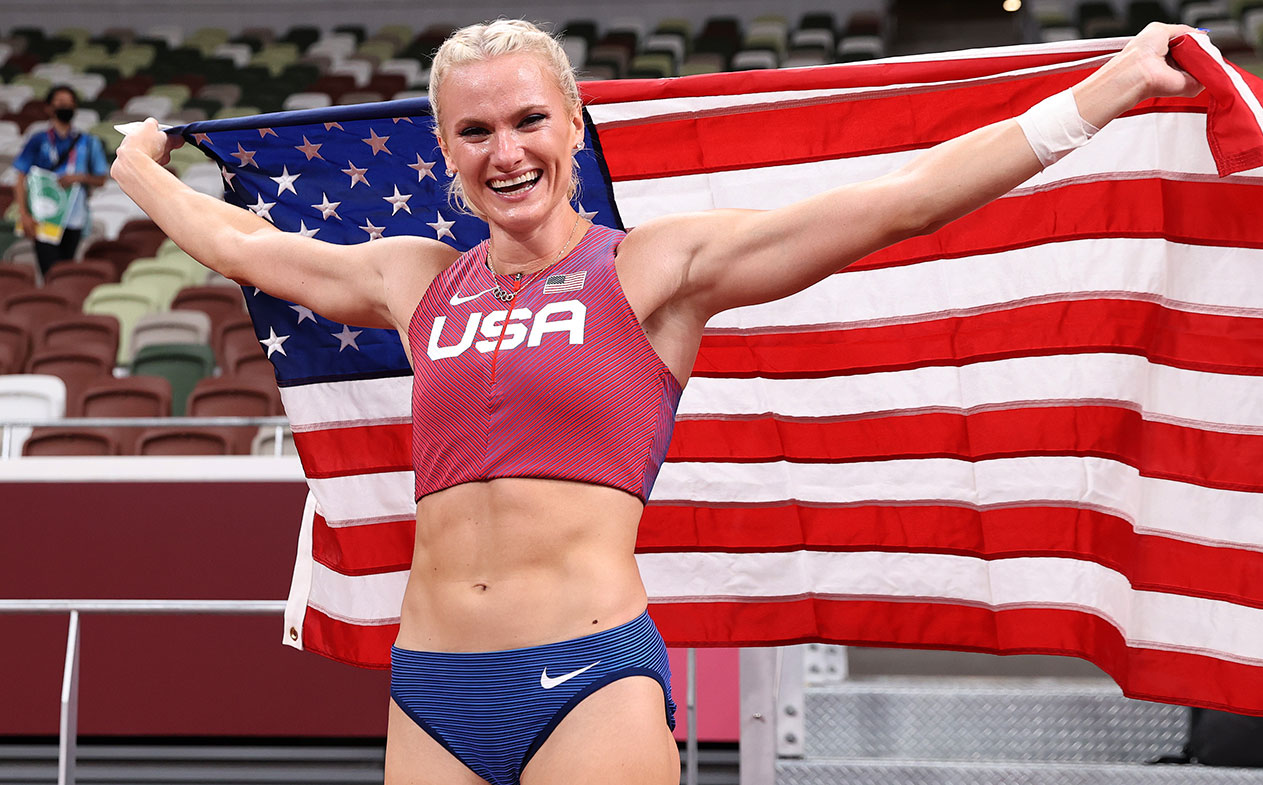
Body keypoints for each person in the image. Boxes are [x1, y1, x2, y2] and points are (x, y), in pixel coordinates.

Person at [111, 18, 1202, 785]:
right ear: (443, 152)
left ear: (574, 126)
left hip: (585, 677)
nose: (507, 151)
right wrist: (139, 171)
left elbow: (899, 203)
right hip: (430, 680)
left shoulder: (655, 270)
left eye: (529, 121)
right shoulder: (413, 277)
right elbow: (251, 243)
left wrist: (1101, 94)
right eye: (476, 132)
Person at [11, 85, 109, 280]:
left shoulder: (89, 142)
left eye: (70, 104)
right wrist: (24, 214)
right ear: (48, 108)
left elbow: (101, 179)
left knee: (66, 270)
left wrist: (79, 177)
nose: (66, 107)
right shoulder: (38, 140)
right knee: (50, 271)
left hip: (74, 217)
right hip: (44, 215)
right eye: (60, 103)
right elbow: (20, 176)